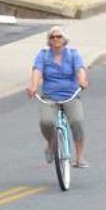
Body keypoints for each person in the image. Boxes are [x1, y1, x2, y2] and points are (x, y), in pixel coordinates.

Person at [27, 26, 88, 168]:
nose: (55, 39)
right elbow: (37, 71)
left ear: (64, 39)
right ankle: (51, 144)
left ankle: (79, 157)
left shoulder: (73, 54)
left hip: (70, 95)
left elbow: (80, 69)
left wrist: (82, 80)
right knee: (46, 122)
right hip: (50, 97)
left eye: (58, 36)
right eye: (52, 37)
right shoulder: (43, 55)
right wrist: (34, 86)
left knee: (77, 121)